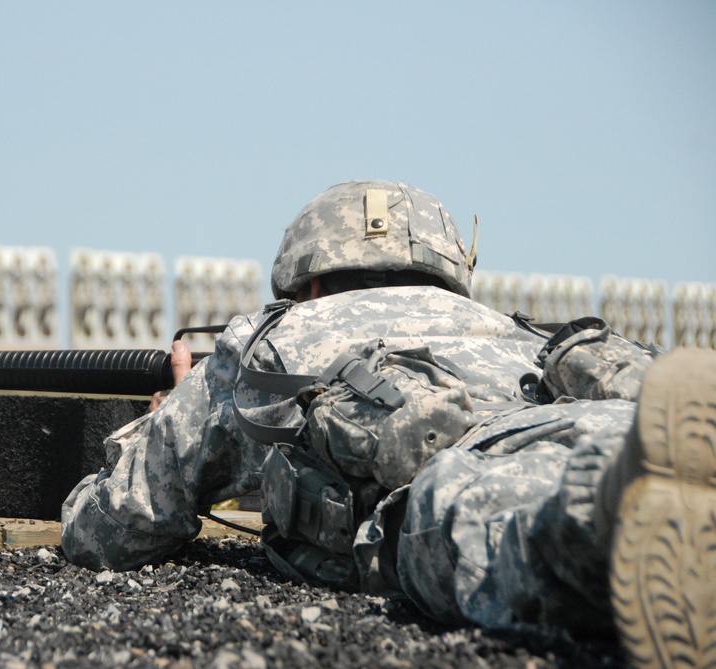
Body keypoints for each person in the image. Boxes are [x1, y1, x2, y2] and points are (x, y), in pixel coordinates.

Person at [62, 180, 716, 669]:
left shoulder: (270, 337)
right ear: (446, 269)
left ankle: (612, 512)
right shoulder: (520, 329)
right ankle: (628, 481)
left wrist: (164, 422)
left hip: (472, 466)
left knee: (467, 517)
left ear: (309, 281)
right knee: (598, 455)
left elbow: (114, 528)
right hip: (599, 417)